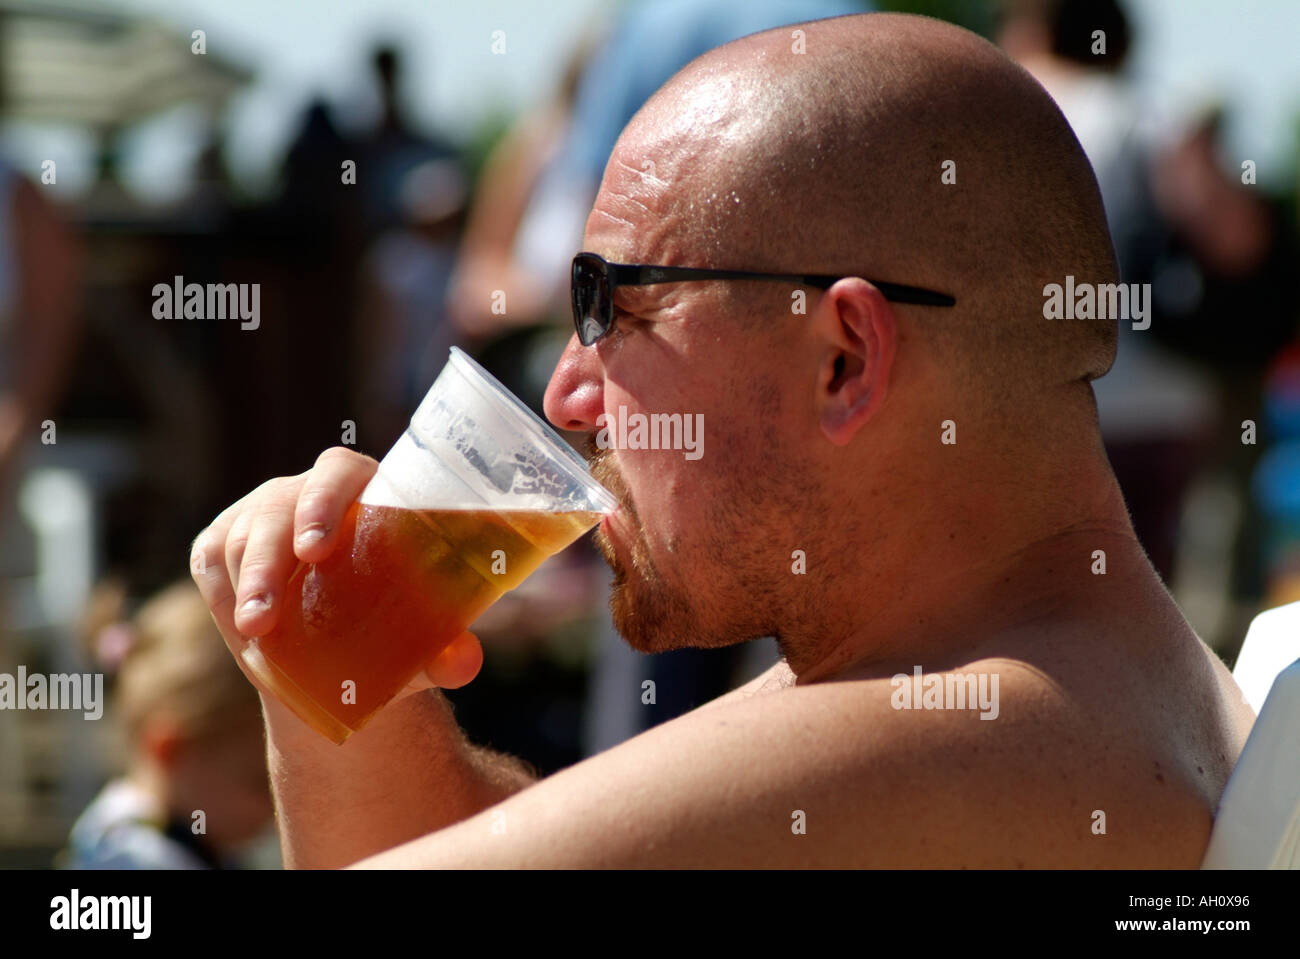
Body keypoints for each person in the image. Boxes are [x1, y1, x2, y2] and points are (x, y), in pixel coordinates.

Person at [191, 13, 1254, 868]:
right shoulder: (1050, 679)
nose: (565, 390)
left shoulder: (963, 730)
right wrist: (338, 658)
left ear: (842, 356)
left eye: (608, 302)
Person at [59, 582, 274, 869]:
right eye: (260, 783)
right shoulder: (130, 857)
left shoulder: (199, 841)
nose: (275, 807)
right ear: (170, 749)